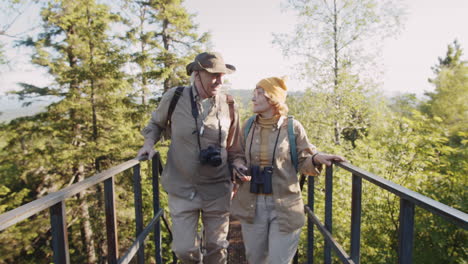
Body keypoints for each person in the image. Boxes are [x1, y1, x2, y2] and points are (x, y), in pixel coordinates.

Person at [137, 52, 244, 264]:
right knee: (184, 250)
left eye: (222, 75)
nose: (220, 80)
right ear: (197, 74)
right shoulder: (175, 97)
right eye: (214, 75)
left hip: (217, 188)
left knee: (216, 247)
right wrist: (148, 145)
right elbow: (156, 125)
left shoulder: (229, 104)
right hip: (182, 187)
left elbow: (235, 148)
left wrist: (239, 165)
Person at [230, 76, 345, 264]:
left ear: (272, 99)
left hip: (285, 204)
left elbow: (304, 160)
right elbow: (237, 154)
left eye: (259, 94)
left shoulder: (292, 127)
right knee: (255, 259)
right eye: (253, 94)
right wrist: (239, 165)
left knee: (279, 261)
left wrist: (315, 158)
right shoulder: (248, 125)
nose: (253, 98)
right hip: (252, 203)